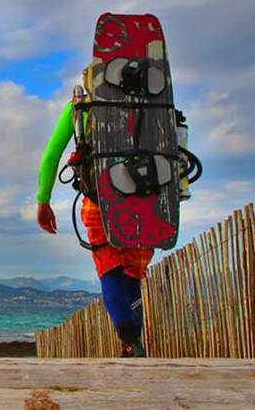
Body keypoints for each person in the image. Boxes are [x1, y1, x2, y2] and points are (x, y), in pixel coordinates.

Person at [36, 82, 152, 358]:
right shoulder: (152, 99)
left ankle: (129, 340)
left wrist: (43, 201)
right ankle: (134, 339)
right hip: (146, 200)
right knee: (132, 273)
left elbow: (51, 155)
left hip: (99, 202)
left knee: (109, 269)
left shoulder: (80, 106)